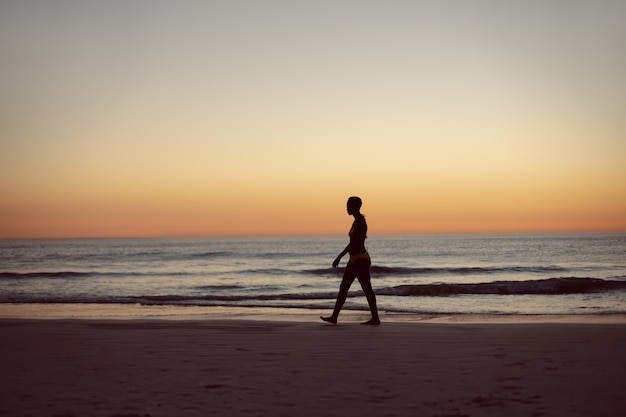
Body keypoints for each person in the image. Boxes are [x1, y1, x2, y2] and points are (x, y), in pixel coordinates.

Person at [321, 196, 381, 325]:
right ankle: (334, 317)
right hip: (354, 259)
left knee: (366, 289)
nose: (346, 208)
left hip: (360, 260)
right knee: (344, 287)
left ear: (355, 206)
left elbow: (353, 243)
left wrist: (339, 256)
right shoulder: (356, 221)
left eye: (348, 205)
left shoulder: (360, 222)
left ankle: (375, 318)